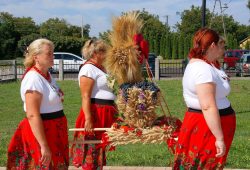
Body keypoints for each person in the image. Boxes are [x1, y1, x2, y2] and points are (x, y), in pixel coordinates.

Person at [173, 28, 236, 169]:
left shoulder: (205, 64)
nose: (223, 49)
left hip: (208, 125)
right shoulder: (203, 69)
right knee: (203, 165)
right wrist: (219, 138)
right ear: (212, 45)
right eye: (221, 46)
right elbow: (207, 106)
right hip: (207, 127)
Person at [7, 38, 69, 170]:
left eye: (53, 53)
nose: (53, 56)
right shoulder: (33, 79)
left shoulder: (46, 75)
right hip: (42, 131)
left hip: (54, 129)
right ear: (36, 57)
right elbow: (32, 115)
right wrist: (44, 145)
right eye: (49, 53)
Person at [70, 39, 117, 170]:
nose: (107, 54)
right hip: (96, 112)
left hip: (106, 111)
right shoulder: (88, 69)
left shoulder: (101, 68)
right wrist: (88, 118)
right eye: (104, 51)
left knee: (99, 149)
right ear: (96, 53)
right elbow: (85, 96)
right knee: (92, 150)